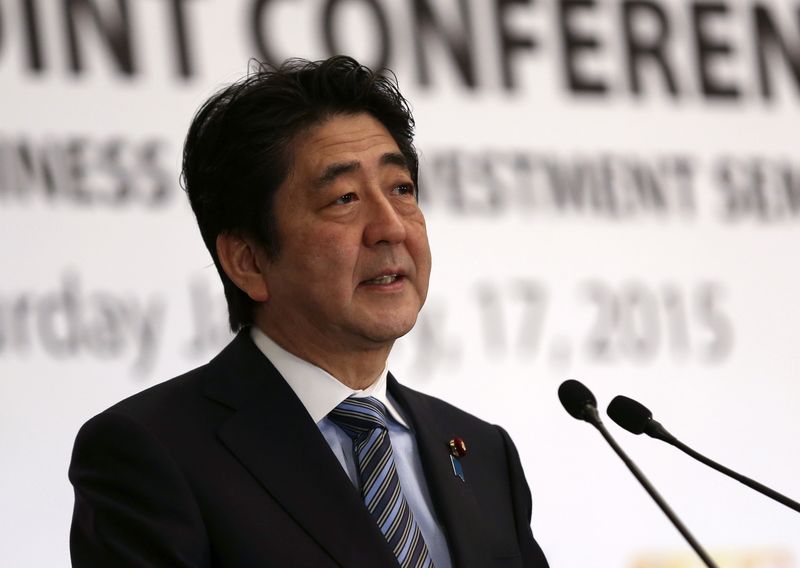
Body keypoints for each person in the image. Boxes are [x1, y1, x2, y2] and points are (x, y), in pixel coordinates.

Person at [69, 56, 549, 568]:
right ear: (248, 260)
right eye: (344, 198)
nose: (390, 227)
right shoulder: (152, 452)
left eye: (401, 189)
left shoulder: (481, 452)